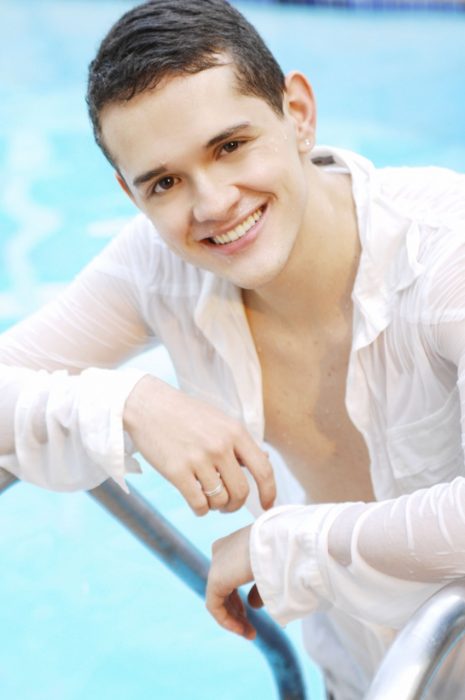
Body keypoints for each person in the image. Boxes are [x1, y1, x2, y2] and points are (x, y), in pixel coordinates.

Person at [1, 0, 465, 697]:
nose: (213, 203)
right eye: (164, 182)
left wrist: (283, 545)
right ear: (130, 194)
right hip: (362, 676)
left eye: (230, 146)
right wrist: (129, 402)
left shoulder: (445, 250)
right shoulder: (157, 265)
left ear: (297, 113)